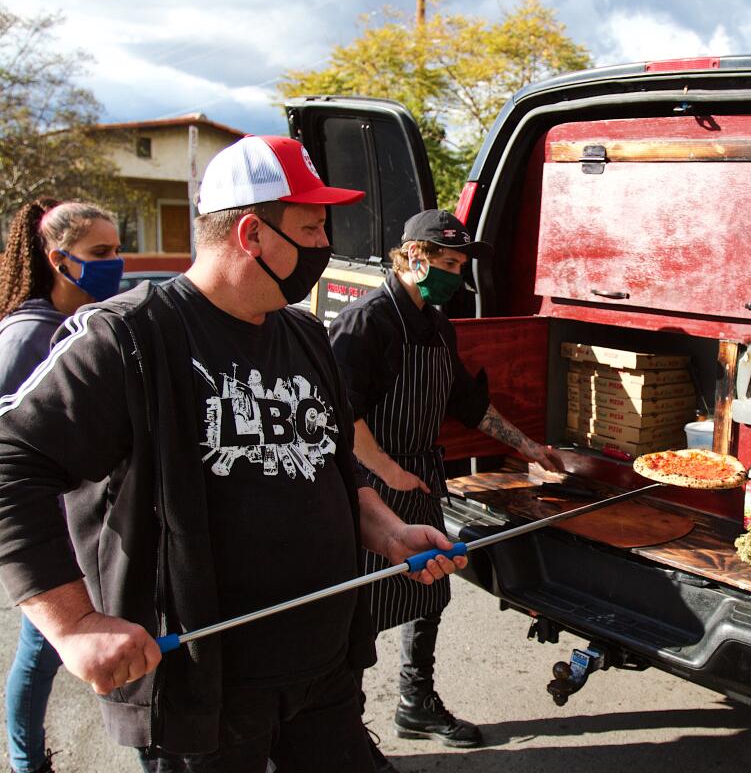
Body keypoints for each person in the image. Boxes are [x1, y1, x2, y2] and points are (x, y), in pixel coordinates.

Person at [0, 136, 466, 773]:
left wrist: (389, 532)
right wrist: (73, 623)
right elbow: (11, 463)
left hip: (324, 674)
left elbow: (330, 462)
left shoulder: (306, 334)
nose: (325, 245)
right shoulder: (127, 336)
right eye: (311, 227)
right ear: (252, 233)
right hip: (203, 689)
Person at [328, 209, 563, 749]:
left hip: (420, 477)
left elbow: (466, 401)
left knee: (429, 593)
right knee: (361, 611)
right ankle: (344, 733)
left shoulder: (434, 322)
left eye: (460, 264)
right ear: (413, 257)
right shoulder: (366, 322)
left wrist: (530, 448)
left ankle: (416, 704)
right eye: (448, 262)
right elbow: (341, 411)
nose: (456, 275)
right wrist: (390, 470)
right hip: (370, 485)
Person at [0, 198, 123, 773]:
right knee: (40, 652)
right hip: (49, 527)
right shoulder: (30, 336)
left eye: (118, 250)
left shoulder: (85, 325)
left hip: (80, 520)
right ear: (58, 259)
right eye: (101, 253)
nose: (115, 263)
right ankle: (27, 762)